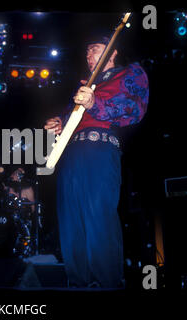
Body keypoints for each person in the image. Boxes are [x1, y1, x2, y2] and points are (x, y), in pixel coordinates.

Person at [44, 36, 149, 288]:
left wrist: (94, 102)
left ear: (112, 52)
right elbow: (73, 118)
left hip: (101, 150)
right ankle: (78, 283)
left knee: (98, 218)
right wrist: (59, 123)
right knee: (71, 222)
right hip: (71, 154)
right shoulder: (84, 87)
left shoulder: (130, 73)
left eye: (95, 50)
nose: (89, 56)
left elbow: (134, 110)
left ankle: (106, 283)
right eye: (87, 52)